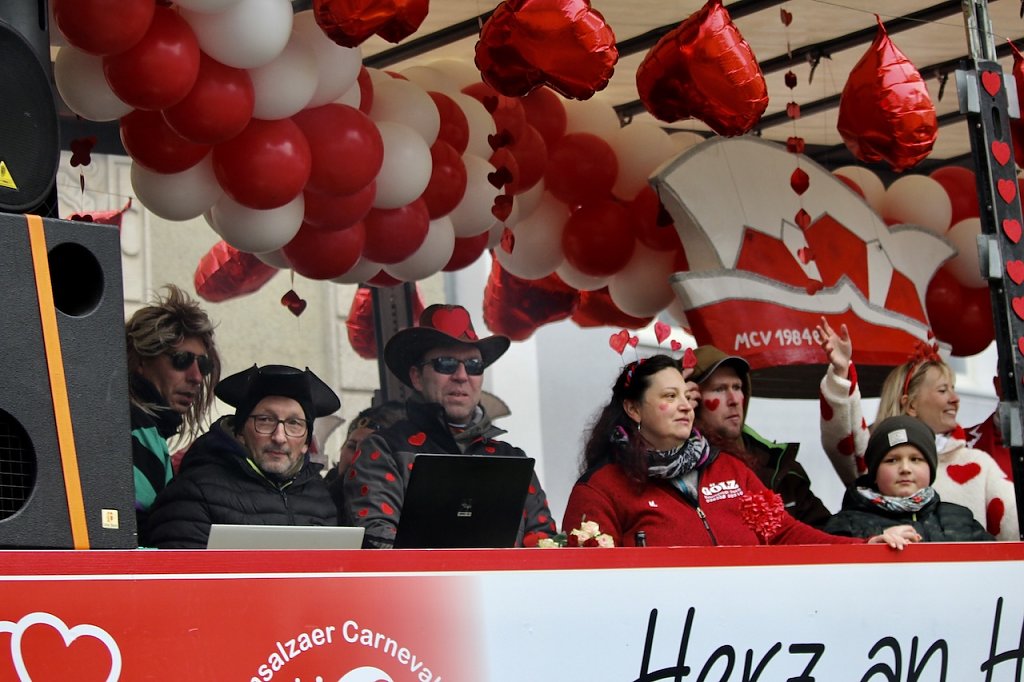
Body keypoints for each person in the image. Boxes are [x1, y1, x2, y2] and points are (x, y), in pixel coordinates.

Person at [562, 354, 919, 548]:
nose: (686, 405)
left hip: (742, 643)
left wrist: (864, 546)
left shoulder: (730, 470)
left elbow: (784, 533)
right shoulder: (601, 489)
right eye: (670, 396)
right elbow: (588, 585)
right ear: (633, 409)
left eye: (687, 395)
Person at [344, 304, 557, 548]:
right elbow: (379, 542)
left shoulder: (513, 459)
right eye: (445, 363)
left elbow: (544, 546)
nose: (462, 375)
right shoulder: (384, 450)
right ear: (416, 377)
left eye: (474, 365)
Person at [817, 317, 1019, 541]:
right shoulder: (874, 457)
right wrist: (841, 376)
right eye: (943, 390)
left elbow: (1013, 522)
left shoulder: (978, 461)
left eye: (916, 460)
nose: (955, 399)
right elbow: (844, 435)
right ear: (911, 404)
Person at [146, 364, 341, 549]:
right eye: (265, 420)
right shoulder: (192, 492)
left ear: (306, 443)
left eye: (294, 423)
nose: (279, 437)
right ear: (239, 432)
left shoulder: (320, 497)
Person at [689, 345, 831, 527]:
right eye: (719, 389)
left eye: (737, 387)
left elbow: (825, 533)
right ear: (692, 399)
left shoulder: (778, 465)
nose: (734, 400)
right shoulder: (676, 472)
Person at [125, 284, 220, 544]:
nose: (196, 377)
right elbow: (139, 537)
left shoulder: (146, 428)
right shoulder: (136, 429)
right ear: (141, 360)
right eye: (181, 360)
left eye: (203, 365)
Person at [824, 415, 994, 542]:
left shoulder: (961, 519)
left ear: (931, 469)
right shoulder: (844, 526)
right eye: (892, 460)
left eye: (915, 459)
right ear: (874, 473)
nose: (905, 469)